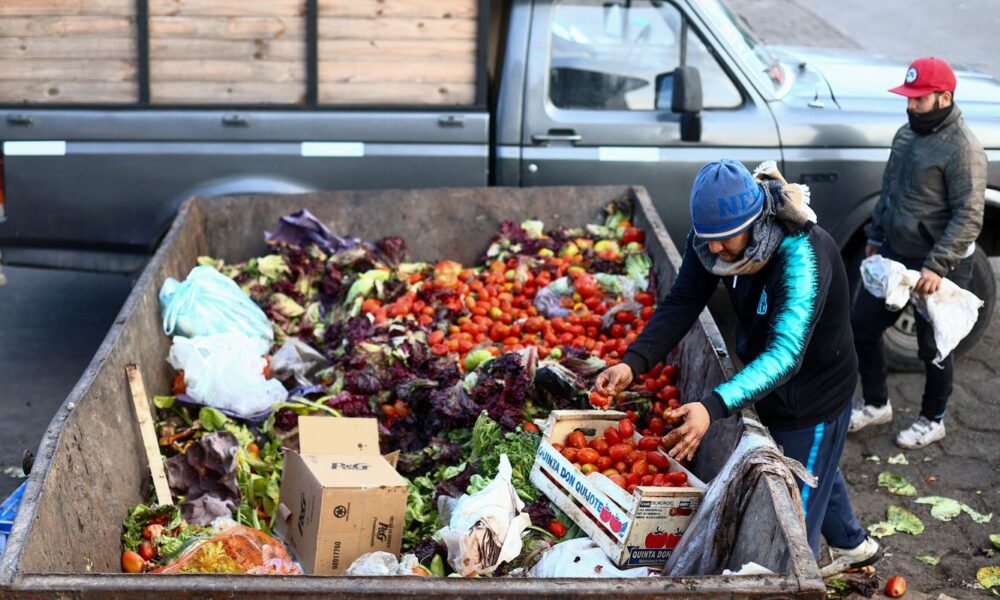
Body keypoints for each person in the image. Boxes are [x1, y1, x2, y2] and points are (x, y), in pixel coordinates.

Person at [595, 159, 880, 568]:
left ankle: (801, 578)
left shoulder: (801, 258)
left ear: (755, 220)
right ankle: (854, 545)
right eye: (707, 239)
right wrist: (633, 363)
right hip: (763, 380)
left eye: (723, 240)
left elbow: (785, 355)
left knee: (790, 527)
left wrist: (712, 407)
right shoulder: (713, 237)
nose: (713, 249)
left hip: (810, 396)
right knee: (814, 468)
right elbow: (683, 301)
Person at [849, 57, 987, 448]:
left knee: (934, 347)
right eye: (908, 98)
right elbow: (889, 190)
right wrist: (875, 236)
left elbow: (969, 215)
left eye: (919, 100)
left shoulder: (964, 148)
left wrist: (937, 266)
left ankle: (933, 418)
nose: (910, 106)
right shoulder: (905, 135)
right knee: (862, 326)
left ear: (944, 98)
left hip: (940, 265)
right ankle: (877, 403)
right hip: (894, 253)